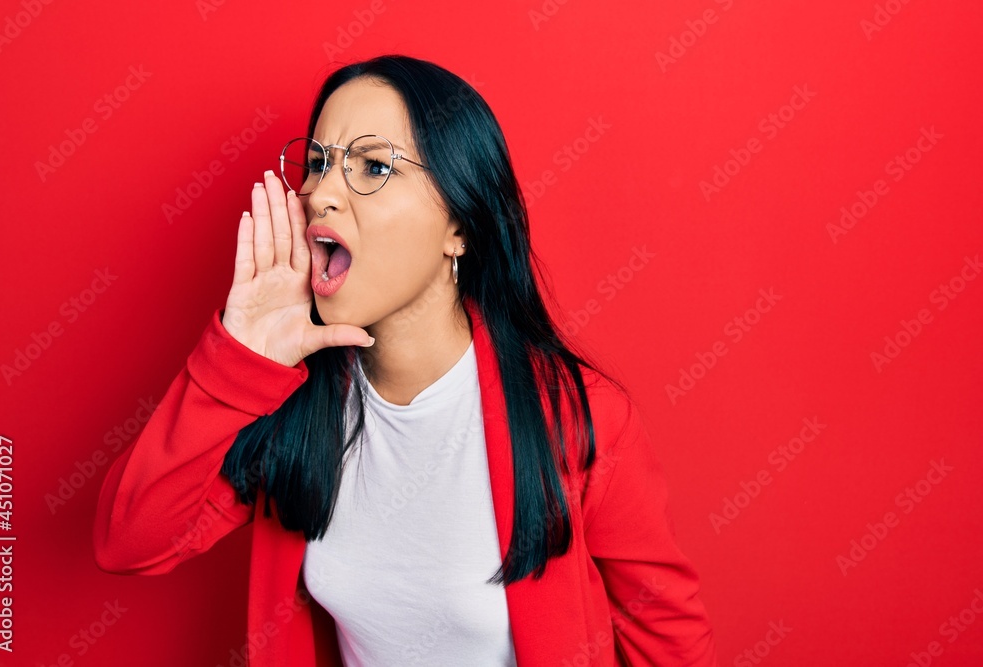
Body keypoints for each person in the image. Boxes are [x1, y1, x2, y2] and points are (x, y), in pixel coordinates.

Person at [92, 54, 717, 666]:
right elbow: (130, 543)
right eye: (317, 163)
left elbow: (666, 633)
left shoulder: (581, 419)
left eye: (372, 166)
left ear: (459, 228)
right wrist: (238, 357)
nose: (321, 195)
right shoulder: (291, 405)